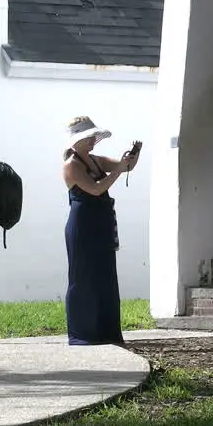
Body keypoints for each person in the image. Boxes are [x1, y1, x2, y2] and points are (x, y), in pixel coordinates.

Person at [62, 116, 140, 346]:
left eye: (93, 138)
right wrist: (115, 173)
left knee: (105, 276)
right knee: (83, 277)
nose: (92, 142)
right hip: (82, 225)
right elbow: (96, 189)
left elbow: (124, 167)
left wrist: (133, 155)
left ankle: (107, 332)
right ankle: (83, 333)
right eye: (87, 138)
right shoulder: (71, 166)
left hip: (101, 222)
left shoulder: (96, 160)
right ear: (76, 141)